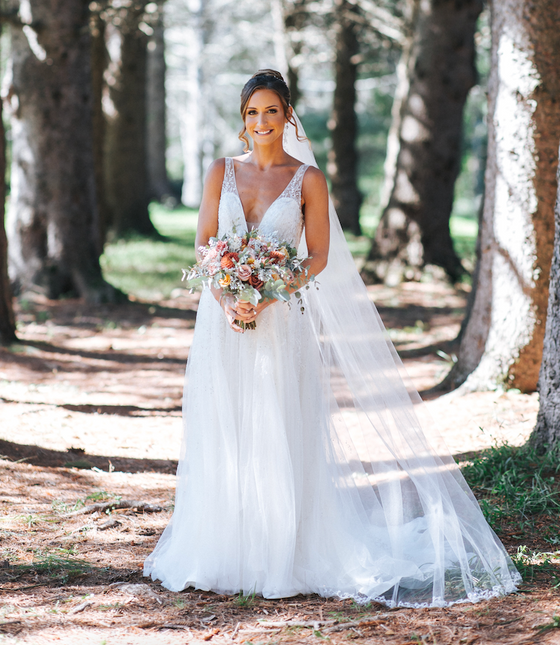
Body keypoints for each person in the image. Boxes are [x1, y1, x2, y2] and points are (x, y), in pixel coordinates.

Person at [144, 69, 520, 607]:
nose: (262, 122)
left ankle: (283, 550)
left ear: (288, 115)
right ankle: (221, 546)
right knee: (223, 422)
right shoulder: (220, 171)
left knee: (279, 423)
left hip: (280, 319)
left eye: (272, 111)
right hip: (221, 320)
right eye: (252, 112)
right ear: (243, 119)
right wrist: (229, 299)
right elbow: (206, 246)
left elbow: (317, 256)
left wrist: (268, 293)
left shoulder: (307, 180)